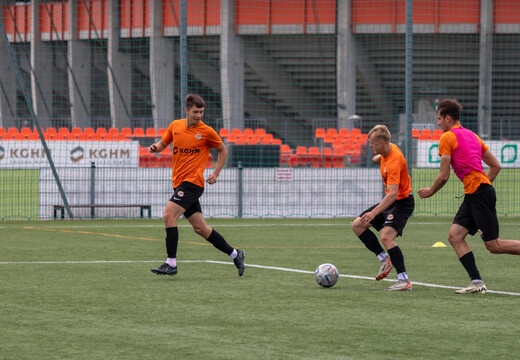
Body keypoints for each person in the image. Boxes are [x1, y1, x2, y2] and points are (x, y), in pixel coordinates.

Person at [418, 98, 520, 294]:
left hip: (478, 194)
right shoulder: (472, 135)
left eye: (439, 119)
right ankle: (476, 282)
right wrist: (483, 186)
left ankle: (476, 282)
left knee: (494, 245)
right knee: (455, 237)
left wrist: (431, 191)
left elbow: (444, 176)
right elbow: (496, 166)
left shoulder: (447, 137)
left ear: (448, 118)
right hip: (476, 193)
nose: (438, 123)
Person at [149, 94, 245, 277]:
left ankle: (171, 264)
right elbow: (162, 145)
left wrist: (215, 173)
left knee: (168, 215)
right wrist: (155, 148)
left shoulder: (207, 131)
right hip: (179, 184)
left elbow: (223, 151)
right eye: (195, 112)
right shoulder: (175, 126)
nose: (198, 115)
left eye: (201, 112)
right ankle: (235, 254)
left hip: (193, 183)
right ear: (187, 110)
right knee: (200, 228)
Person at [352, 125, 415, 291]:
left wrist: (374, 213)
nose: (370, 146)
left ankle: (404, 280)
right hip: (391, 201)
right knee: (357, 225)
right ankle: (384, 259)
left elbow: (393, 194)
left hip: (401, 202)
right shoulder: (388, 149)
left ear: (380, 143)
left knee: (386, 237)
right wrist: (379, 157)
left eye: (372, 143)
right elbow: (386, 153)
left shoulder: (395, 161)